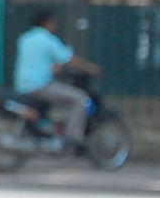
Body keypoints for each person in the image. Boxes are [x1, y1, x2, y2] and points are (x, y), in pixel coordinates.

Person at [13, 9, 99, 146]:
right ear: (47, 23)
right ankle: (73, 137)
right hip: (40, 85)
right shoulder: (48, 40)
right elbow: (69, 59)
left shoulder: (24, 39)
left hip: (22, 85)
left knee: (61, 97)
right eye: (53, 22)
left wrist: (53, 68)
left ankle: (53, 128)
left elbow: (35, 61)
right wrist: (90, 68)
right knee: (80, 99)